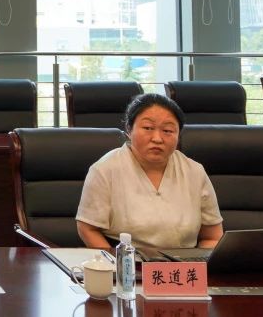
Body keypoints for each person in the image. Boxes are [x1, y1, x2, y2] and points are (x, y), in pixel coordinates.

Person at [76, 93, 224, 250]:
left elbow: (212, 236)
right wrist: (117, 262)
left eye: (167, 130)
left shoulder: (194, 171)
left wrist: (203, 262)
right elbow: (88, 229)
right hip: (127, 261)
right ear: (129, 129)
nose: (157, 138)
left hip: (184, 262)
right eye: (148, 128)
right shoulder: (104, 170)